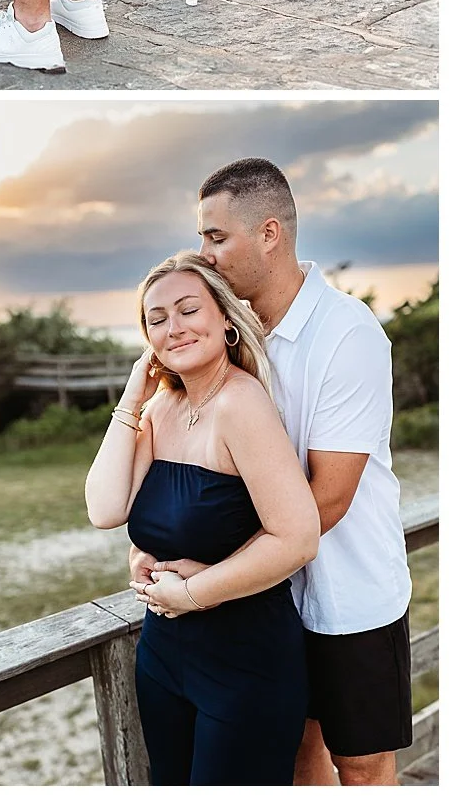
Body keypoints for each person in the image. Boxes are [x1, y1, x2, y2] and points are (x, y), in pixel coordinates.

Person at [134, 158, 414, 786]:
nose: (204, 255)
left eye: (216, 237)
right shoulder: (230, 336)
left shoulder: (347, 333)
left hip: (346, 593)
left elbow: (329, 498)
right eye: (202, 238)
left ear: (269, 234)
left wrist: (211, 575)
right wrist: (161, 545)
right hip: (263, 605)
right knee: (294, 760)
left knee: (361, 767)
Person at [86, 251, 319, 785]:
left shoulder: (242, 404)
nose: (174, 327)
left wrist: (192, 594)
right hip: (163, 658)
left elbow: (298, 537)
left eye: (188, 310)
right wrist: (132, 397)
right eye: (157, 319)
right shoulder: (158, 410)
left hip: (246, 663)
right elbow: (105, 509)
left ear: (226, 319)